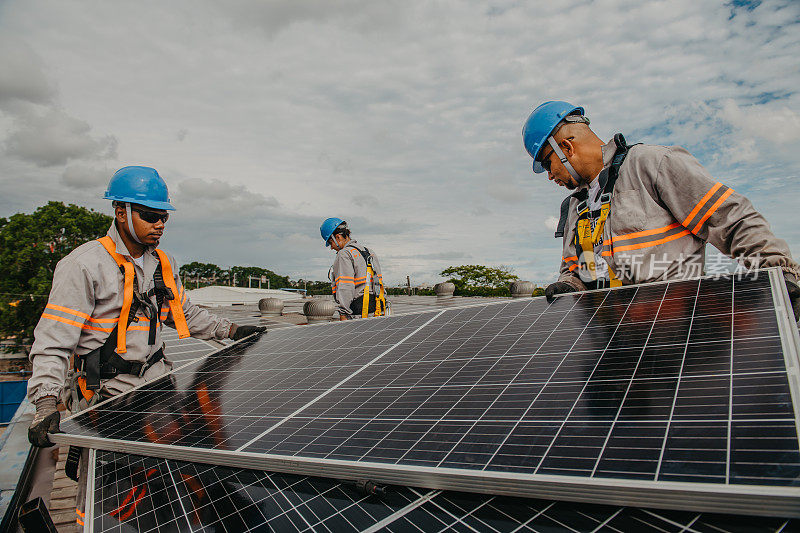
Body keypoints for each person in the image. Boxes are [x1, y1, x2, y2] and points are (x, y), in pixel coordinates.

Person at [27, 166, 266, 449]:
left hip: (157, 385)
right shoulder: (84, 265)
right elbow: (54, 340)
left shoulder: (162, 263)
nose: (160, 224)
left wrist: (233, 330)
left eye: (164, 217)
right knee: (121, 476)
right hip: (107, 395)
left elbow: (184, 314)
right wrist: (45, 402)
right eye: (151, 216)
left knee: (175, 467)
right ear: (121, 213)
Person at [521, 101, 800, 320]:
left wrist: (779, 274)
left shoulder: (650, 165)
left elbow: (729, 219)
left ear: (566, 147)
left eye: (547, 164)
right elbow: (576, 269)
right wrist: (569, 285)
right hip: (609, 339)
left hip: (671, 331)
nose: (549, 176)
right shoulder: (573, 207)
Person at [319, 218, 387, 320]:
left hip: (360, 313)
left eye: (330, 243)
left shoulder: (344, 254)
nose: (331, 248)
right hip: (379, 310)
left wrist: (343, 313)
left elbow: (345, 286)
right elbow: (379, 283)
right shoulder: (369, 252)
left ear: (338, 237)